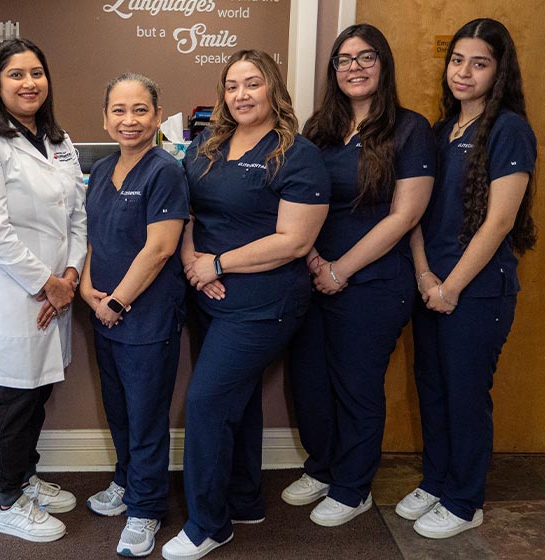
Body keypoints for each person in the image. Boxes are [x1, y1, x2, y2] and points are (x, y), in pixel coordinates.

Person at [161, 50, 330, 560]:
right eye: (232, 86)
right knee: (235, 400)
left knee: (207, 402)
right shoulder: (207, 146)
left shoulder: (297, 154)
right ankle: (243, 500)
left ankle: (208, 525)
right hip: (208, 296)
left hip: (264, 302)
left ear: (273, 88)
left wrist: (219, 265)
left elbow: (294, 241)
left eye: (252, 84)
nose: (241, 94)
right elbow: (184, 210)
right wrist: (195, 263)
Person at [283, 24, 435, 527]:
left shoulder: (410, 129)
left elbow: (405, 214)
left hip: (374, 283)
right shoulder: (318, 130)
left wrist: (341, 270)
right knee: (309, 383)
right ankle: (323, 468)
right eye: (344, 59)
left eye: (366, 57)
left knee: (356, 386)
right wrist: (313, 262)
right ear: (333, 71)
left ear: (383, 64)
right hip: (312, 274)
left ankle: (353, 487)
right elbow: (300, 203)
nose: (354, 67)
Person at [398, 18, 537, 539]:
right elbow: (415, 212)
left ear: (499, 72)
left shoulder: (508, 129)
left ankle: (463, 500)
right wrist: (423, 274)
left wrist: (450, 286)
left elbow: (500, 221)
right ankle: (437, 481)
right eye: (458, 60)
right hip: (429, 285)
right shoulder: (439, 130)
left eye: (479, 63)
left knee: (464, 394)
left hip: (475, 293)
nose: (464, 72)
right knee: (432, 389)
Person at [0, 38, 86, 542]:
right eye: (16, 74)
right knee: (15, 396)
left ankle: (26, 476)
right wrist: (47, 283)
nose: (29, 83)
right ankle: (8, 499)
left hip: (58, 289)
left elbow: (78, 213)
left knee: (40, 391)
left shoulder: (59, 139)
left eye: (36, 72)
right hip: (17, 291)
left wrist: (71, 275)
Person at [80, 73, 189, 557]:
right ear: (105, 118)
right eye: (119, 110)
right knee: (120, 410)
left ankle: (145, 508)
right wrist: (86, 289)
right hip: (102, 313)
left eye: (140, 110)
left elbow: (161, 248)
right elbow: (92, 239)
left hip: (143, 318)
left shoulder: (164, 170)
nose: (129, 120)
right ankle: (126, 481)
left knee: (146, 417)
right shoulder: (102, 171)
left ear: (158, 117)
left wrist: (117, 302)